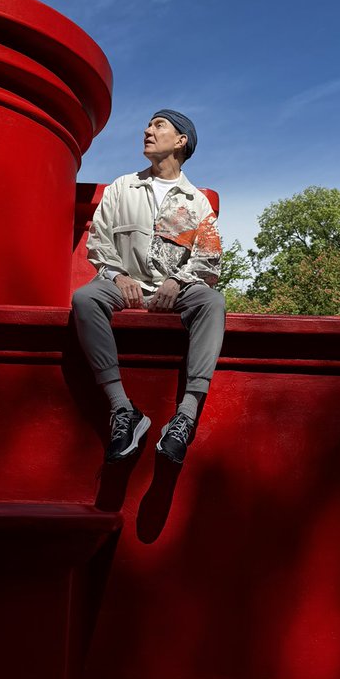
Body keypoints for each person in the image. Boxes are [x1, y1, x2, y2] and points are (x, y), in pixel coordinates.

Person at [72, 109, 225, 465]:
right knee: (85, 298)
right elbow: (98, 243)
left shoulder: (195, 201)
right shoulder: (122, 187)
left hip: (177, 290)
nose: (147, 130)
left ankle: (185, 416)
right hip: (125, 286)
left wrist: (176, 280)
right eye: (148, 124)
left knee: (212, 302)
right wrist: (116, 276)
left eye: (159, 126)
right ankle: (123, 410)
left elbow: (208, 259)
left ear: (181, 140)